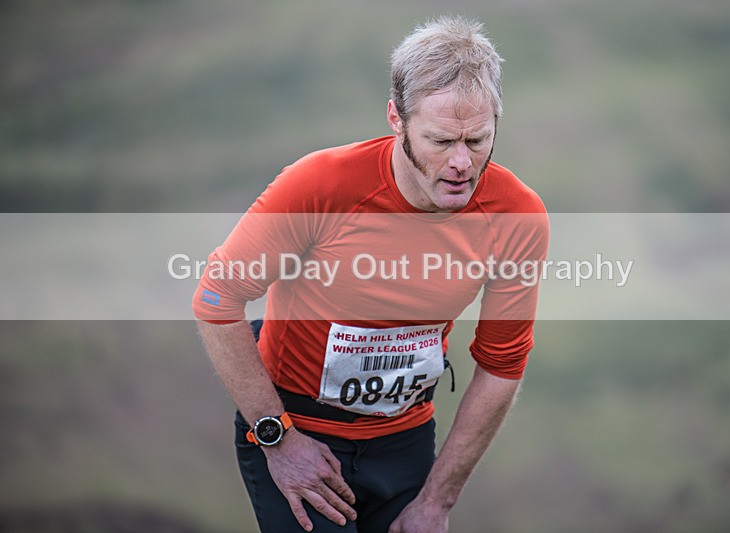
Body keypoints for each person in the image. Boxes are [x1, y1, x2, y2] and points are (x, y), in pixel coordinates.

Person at [193, 15, 549, 533]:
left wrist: (438, 501)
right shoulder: (321, 186)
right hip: (297, 427)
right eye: (440, 141)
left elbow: (502, 365)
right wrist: (279, 439)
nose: (461, 165)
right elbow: (218, 299)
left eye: (477, 141)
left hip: (405, 440)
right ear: (396, 120)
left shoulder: (517, 216)